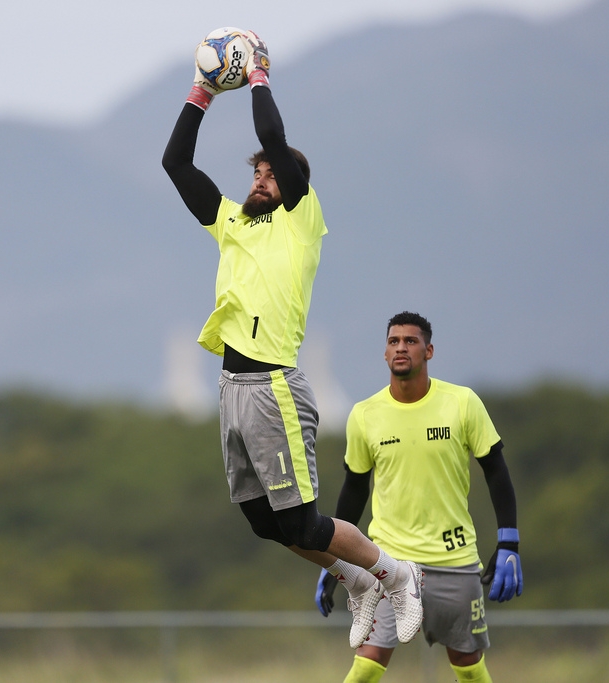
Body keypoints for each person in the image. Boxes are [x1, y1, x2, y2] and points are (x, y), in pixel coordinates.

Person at [161, 31, 422, 649]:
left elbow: (277, 143)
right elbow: (175, 163)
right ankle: (357, 580)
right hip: (231, 388)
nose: (259, 177)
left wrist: (255, 77)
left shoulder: (301, 223)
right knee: (265, 524)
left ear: (291, 186)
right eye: (254, 172)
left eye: (269, 174)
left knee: (304, 520)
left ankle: (395, 576)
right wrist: (202, 91)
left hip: (274, 384)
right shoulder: (232, 225)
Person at [315, 311, 523, 683]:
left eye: (410, 341)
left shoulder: (462, 403)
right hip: (388, 562)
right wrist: (335, 561)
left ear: (428, 351)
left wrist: (509, 541)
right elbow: (355, 490)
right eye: (393, 341)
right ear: (384, 353)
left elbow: (496, 471)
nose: (401, 348)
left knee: (470, 668)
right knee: (365, 664)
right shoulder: (364, 415)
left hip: (453, 560)